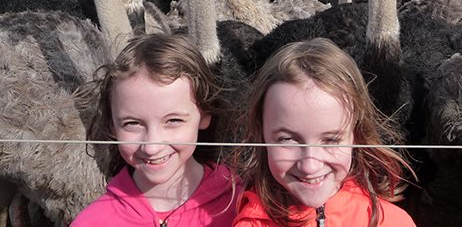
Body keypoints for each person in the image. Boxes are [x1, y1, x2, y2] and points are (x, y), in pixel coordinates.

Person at [232, 38, 416, 227]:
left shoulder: (393, 222)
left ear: (356, 134)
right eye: (287, 139)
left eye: (331, 140)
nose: (310, 166)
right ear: (260, 133)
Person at [72, 34, 240, 226]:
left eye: (173, 120)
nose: (152, 147)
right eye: (132, 123)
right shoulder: (92, 222)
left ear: (204, 115)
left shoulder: (242, 203)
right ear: (112, 126)